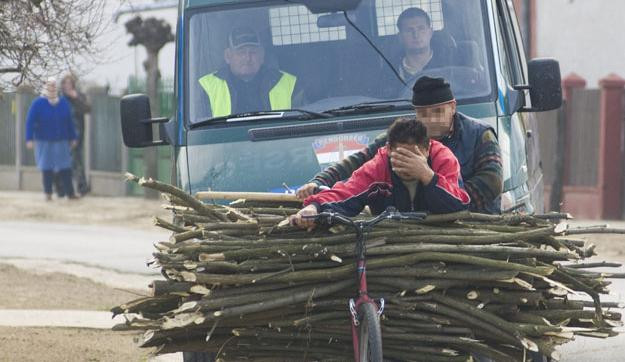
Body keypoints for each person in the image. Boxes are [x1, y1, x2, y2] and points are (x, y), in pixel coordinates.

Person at [297, 76, 503, 214]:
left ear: (453, 107)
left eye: (438, 112)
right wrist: (320, 182)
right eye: (423, 114)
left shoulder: (480, 134)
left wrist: (435, 193)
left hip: (473, 226)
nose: (430, 121)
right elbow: (357, 165)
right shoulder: (400, 138)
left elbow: (491, 182)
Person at [291, 117, 469, 230]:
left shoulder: (443, 160)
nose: (406, 163)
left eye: (413, 155)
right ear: (389, 149)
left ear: (427, 149)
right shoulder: (379, 166)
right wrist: (315, 207)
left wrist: (427, 175)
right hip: (390, 241)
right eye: (400, 155)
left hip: (440, 239)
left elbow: (459, 202)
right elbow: (348, 192)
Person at [198, 26, 305, 117]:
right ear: (227, 56)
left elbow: (304, 121)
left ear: (262, 55)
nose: (247, 58)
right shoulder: (207, 87)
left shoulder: (289, 84)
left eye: (253, 52)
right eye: (241, 52)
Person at [25, 77, 78, 201]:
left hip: (62, 140)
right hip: (44, 140)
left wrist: (73, 137)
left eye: (54, 85)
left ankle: (70, 193)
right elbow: (30, 122)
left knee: (65, 166)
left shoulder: (63, 102)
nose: (52, 88)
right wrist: (29, 138)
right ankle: (48, 193)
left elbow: (69, 121)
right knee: (46, 167)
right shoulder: (37, 103)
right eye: (50, 85)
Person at [61, 73, 91, 196]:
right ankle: (65, 187)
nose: (67, 86)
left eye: (70, 83)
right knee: (65, 160)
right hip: (63, 134)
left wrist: (76, 98)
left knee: (76, 159)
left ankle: (81, 187)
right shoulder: (61, 98)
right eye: (65, 83)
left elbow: (87, 109)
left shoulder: (79, 96)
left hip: (77, 133)